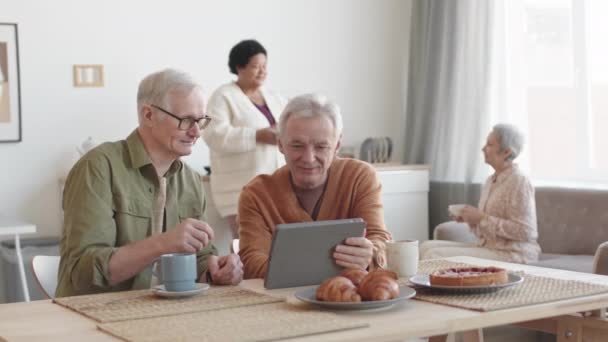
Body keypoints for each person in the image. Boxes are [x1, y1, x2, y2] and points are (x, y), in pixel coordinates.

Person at [56, 69, 243, 297]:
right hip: (94, 314)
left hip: (164, 316)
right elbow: (83, 272)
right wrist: (163, 244)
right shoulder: (98, 168)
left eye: (201, 121)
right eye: (185, 120)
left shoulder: (191, 180)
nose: (196, 132)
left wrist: (216, 270)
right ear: (148, 115)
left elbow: (201, 261)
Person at [237, 93, 392, 279]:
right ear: (280, 144)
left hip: (349, 299)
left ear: (337, 145)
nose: (309, 158)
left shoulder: (359, 177)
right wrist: (332, 268)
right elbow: (252, 263)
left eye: (321, 147)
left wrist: (370, 254)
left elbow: (379, 240)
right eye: (297, 146)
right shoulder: (257, 195)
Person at [420, 124, 541, 264]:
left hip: (514, 253)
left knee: (434, 254)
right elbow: (485, 230)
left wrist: (482, 218)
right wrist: (471, 220)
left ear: (506, 151)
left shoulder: (519, 181)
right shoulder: (491, 180)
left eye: (490, 144)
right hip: (489, 248)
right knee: (425, 247)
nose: (483, 149)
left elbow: (526, 232)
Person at [202, 39, 286, 237]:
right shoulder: (223, 96)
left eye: (265, 66)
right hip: (238, 189)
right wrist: (257, 136)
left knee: (277, 245)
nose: (262, 72)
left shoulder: (274, 97)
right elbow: (213, 134)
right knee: (247, 246)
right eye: (256, 66)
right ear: (239, 67)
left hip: (276, 187)